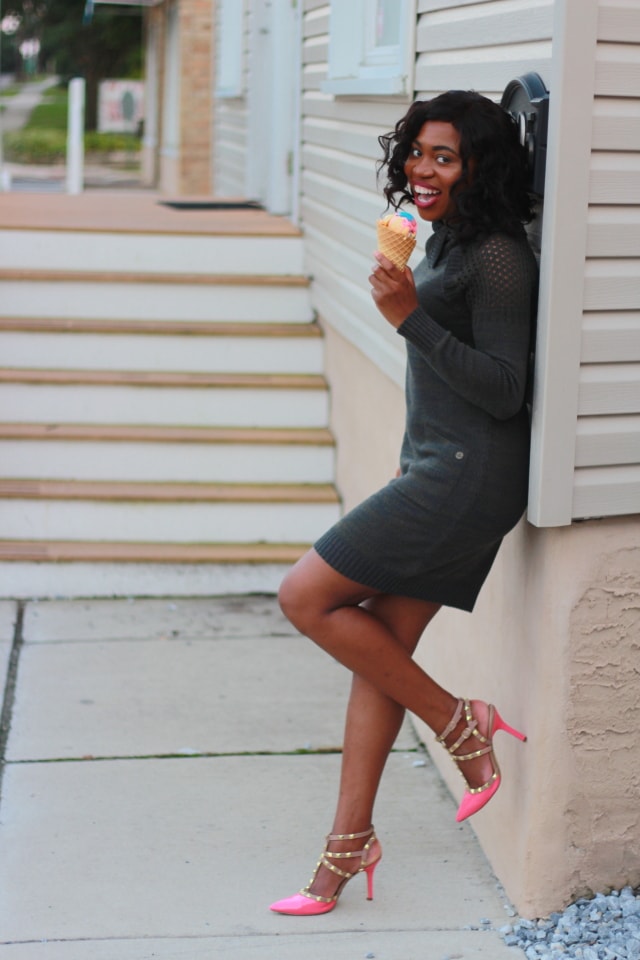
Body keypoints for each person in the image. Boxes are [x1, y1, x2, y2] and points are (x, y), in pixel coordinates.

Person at [269, 90, 538, 917]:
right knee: (376, 648)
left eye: (445, 157)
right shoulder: (452, 237)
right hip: (437, 463)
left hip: (464, 475)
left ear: (480, 166)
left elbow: (505, 389)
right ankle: (346, 851)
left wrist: (408, 318)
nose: (423, 169)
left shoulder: (498, 255)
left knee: (305, 596)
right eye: (419, 152)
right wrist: (412, 302)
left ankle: (460, 726)